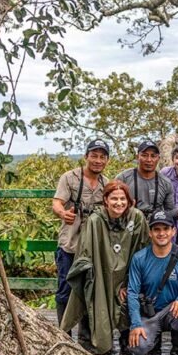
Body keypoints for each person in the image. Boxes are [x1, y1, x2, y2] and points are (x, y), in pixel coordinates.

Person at [60, 181, 149, 355]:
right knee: (96, 301)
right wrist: (89, 277)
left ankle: (126, 344)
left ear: (129, 200)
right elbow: (85, 251)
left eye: (122, 199)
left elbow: (143, 250)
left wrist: (130, 282)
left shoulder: (136, 217)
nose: (119, 203)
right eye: (114, 198)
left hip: (127, 274)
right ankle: (99, 344)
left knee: (126, 300)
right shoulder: (95, 220)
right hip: (103, 273)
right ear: (106, 201)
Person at [51, 139, 110, 335]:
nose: (98, 160)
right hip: (70, 244)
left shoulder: (106, 184)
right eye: (94, 155)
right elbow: (57, 203)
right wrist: (63, 213)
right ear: (86, 156)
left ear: (107, 160)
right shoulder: (70, 178)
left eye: (102, 157)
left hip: (93, 247)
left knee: (89, 289)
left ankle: (86, 336)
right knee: (65, 290)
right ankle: (64, 334)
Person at [127, 211, 178, 355]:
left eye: (166, 228)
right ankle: (153, 350)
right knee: (138, 346)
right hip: (150, 312)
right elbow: (132, 292)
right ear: (150, 233)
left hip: (173, 308)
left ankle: (177, 354)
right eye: (156, 229)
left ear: (174, 231)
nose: (162, 233)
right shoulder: (139, 258)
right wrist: (135, 324)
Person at [117, 139, 178, 220]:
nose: (149, 160)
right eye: (144, 155)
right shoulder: (123, 178)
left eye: (153, 156)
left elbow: (169, 212)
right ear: (137, 157)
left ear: (158, 158)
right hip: (128, 224)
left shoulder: (165, 182)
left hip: (154, 226)